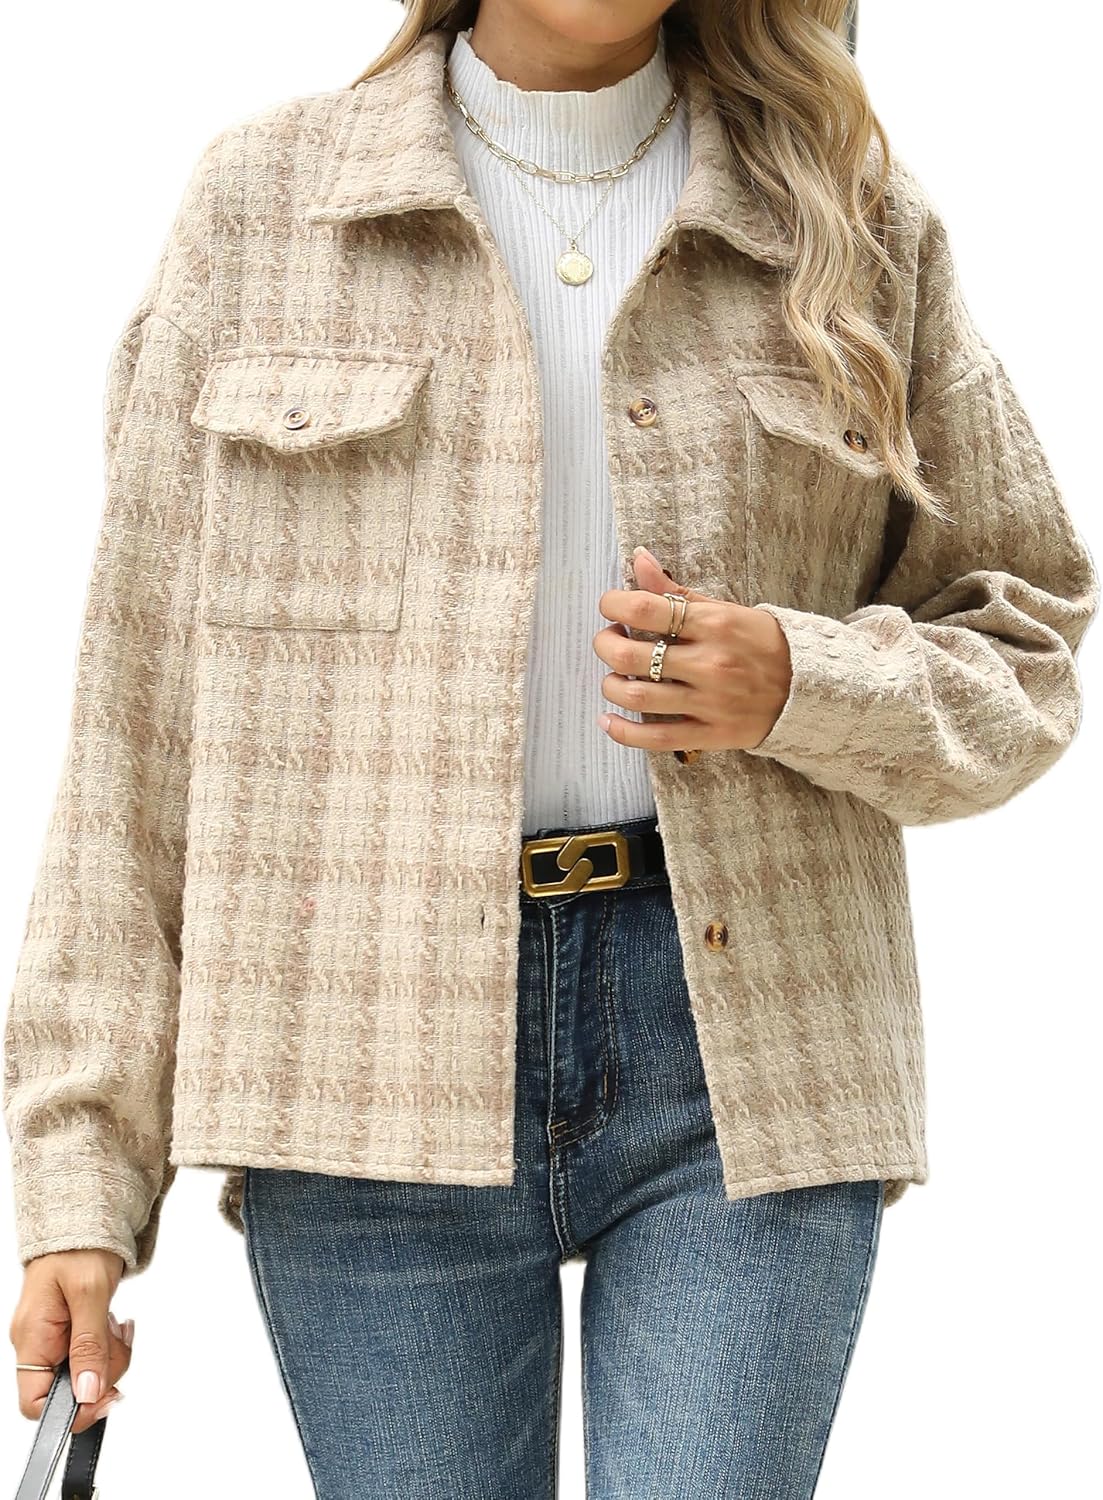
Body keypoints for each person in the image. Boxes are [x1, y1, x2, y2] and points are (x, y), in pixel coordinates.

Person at [4, 1, 1097, 1494]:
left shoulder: (851, 223)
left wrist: (800, 680)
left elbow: (1027, 638)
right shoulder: (261, 207)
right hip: (359, 1050)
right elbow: (137, 724)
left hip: (749, 1051)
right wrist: (79, 1178)